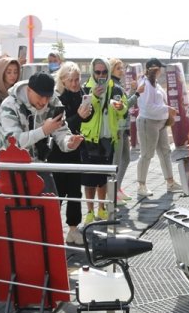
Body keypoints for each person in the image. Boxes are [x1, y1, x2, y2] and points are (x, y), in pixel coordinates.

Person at [0, 71, 84, 195]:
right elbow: (14, 142)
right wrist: (44, 131)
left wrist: (69, 143)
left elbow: (61, 130)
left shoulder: (54, 102)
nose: (44, 101)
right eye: (40, 96)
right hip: (8, 165)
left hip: (37, 163)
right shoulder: (9, 105)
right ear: (29, 90)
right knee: (14, 210)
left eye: (48, 97)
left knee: (51, 207)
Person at [79, 57, 127, 224]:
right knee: (89, 180)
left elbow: (124, 110)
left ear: (108, 71)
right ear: (92, 72)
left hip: (108, 139)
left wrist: (121, 108)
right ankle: (90, 211)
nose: (101, 75)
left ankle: (102, 209)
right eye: (97, 72)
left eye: (104, 72)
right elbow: (82, 112)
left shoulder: (116, 89)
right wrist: (93, 96)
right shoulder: (86, 89)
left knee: (103, 178)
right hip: (89, 139)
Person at [49, 62, 91, 245]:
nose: (75, 83)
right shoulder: (57, 98)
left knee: (74, 192)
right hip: (58, 152)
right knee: (57, 192)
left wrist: (88, 110)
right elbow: (60, 127)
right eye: (71, 80)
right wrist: (80, 117)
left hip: (75, 150)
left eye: (77, 79)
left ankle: (73, 229)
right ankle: (51, 230)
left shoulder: (80, 93)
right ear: (63, 81)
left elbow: (86, 116)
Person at [136, 58, 182, 197]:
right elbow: (148, 107)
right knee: (146, 154)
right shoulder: (145, 83)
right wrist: (168, 109)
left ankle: (170, 182)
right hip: (148, 122)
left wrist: (166, 112)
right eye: (160, 68)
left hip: (159, 123)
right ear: (154, 69)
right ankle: (141, 185)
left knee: (165, 151)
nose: (161, 71)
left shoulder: (154, 84)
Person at [108, 58, 136, 202]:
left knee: (126, 159)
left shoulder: (118, 84)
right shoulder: (114, 86)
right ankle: (113, 192)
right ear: (112, 69)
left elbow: (124, 104)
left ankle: (117, 188)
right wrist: (136, 94)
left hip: (122, 127)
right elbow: (122, 109)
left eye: (123, 68)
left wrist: (133, 91)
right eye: (119, 68)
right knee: (117, 162)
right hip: (118, 128)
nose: (122, 70)